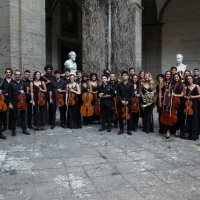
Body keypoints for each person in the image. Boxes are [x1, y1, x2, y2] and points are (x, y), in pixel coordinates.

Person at [8, 70, 31, 136]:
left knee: (23, 116)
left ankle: (24, 129)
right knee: (14, 117)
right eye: (16, 74)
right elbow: (9, 94)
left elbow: (27, 93)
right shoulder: (11, 84)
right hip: (14, 102)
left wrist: (24, 92)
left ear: (20, 75)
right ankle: (13, 130)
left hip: (22, 102)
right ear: (14, 75)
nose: (17, 76)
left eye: (19, 75)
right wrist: (10, 103)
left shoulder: (23, 84)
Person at [180, 75, 200, 140]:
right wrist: (187, 97)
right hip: (188, 104)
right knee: (187, 118)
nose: (189, 80)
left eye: (190, 79)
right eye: (188, 79)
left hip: (195, 104)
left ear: (192, 79)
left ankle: (193, 135)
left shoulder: (197, 86)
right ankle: (187, 134)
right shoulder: (185, 87)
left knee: (194, 118)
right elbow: (184, 96)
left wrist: (193, 97)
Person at [165, 73, 184, 139]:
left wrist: (175, 95)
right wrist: (170, 95)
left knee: (179, 116)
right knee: (170, 115)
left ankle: (177, 129)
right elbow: (169, 92)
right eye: (175, 77)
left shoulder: (182, 85)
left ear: (179, 78)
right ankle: (168, 130)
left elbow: (182, 94)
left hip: (179, 102)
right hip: (172, 101)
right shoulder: (171, 84)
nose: (176, 78)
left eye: (177, 77)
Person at [117, 71, 134, 135]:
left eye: (125, 75)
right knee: (121, 116)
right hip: (121, 103)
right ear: (121, 77)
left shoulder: (131, 84)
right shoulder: (119, 84)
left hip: (128, 103)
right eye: (123, 75)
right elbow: (118, 94)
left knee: (129, 116)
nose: (124, 76)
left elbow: (132, 94)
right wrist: (121, 100)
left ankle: (129, 129)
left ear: (128, 76)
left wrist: (128, 100)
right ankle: (121, 129)